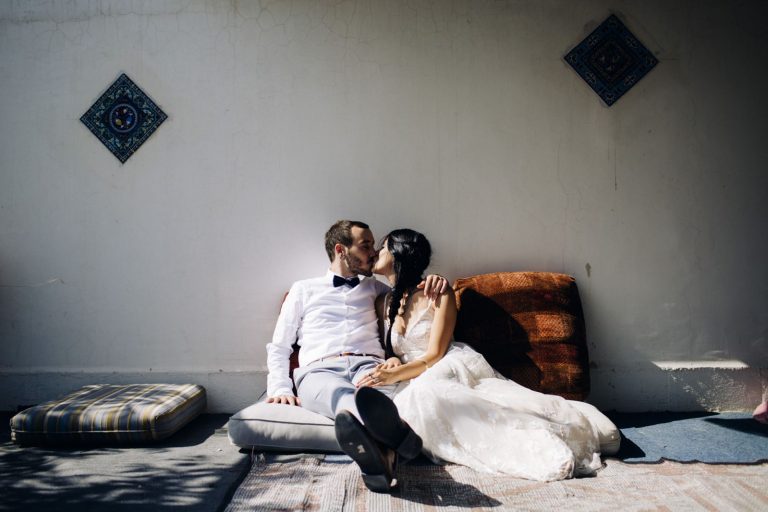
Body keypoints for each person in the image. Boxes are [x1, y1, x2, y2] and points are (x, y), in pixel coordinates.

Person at [357, 228, 611, 482]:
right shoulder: (383, 302)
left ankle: (536, 439)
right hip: (408, 374)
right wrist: (393, 361)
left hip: (442, 364)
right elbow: (392, 350)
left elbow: (434, 354)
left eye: (383, 246)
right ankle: (393, 449)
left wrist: (397, 374)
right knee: (388, 398)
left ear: (399, 252)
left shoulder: (438, 293)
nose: (377, 252)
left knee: (426, 392)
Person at [265, 220, 447, 492]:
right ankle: (395, 434)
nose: (373, 253)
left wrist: (435, 280)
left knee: (374, 395)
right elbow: (280, 346)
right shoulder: (303, 289)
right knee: (340, 395)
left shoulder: (377, 290)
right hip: (319, 371)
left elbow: (410, 295)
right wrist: (279, 387)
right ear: (341, 250)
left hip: (370, 366)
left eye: (374, 246)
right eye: (366, 246)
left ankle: (380, 460)